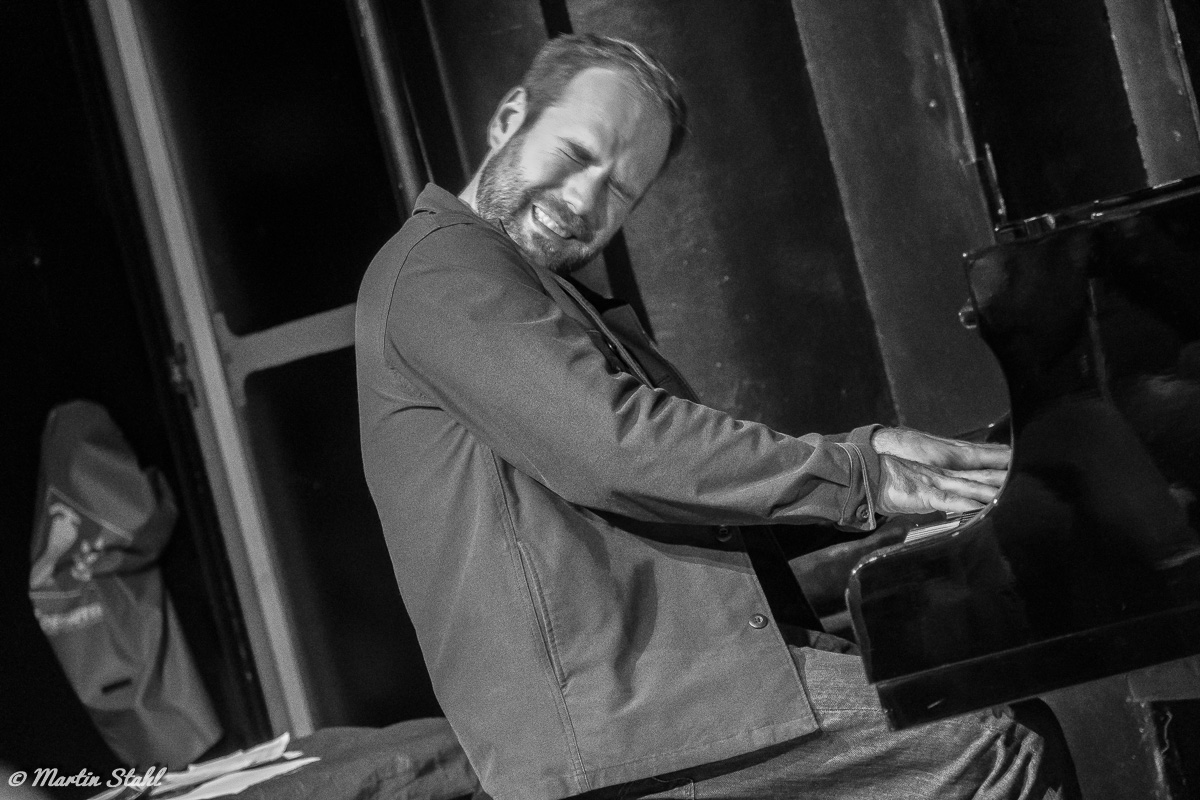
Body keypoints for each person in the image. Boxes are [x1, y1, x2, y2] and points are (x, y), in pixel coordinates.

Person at [355, 33, 1078, 800]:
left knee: (984, 715)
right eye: (574, 156)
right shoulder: (441, 264)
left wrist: (873, 461)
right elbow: (620, 448)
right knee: (993, 743)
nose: (582, 203)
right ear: (510, 118)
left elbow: (670, 487)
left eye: (618, 192)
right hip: (632, 720)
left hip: (664, 697)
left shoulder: (510, 282)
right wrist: (858, 477)